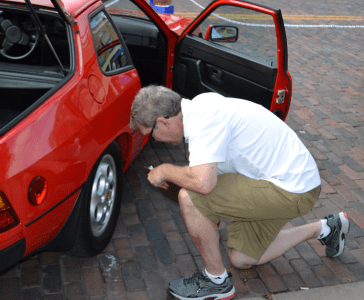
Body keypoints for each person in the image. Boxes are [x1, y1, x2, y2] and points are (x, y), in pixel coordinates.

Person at [129, 85, 350, 300]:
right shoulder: (199, 107)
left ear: (162, 122)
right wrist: (180, 181)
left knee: (190, 198)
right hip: (292, 182)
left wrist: (166, 170)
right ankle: (325, 228)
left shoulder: (201, 121)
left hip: (291, 189)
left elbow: (204, 184)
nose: (153, 140)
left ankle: (216, 282)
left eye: (150, 134)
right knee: (241, 258)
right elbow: (208, 174)